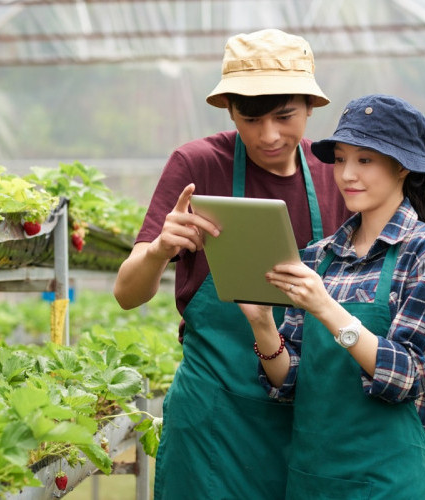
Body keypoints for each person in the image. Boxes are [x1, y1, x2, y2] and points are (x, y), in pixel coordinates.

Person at [114, 29, 351, 499]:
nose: (269, 135)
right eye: (250, 117)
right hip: (213, 418)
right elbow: (127, 293)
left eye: (285, 117)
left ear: (310, 106)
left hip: (308, 410)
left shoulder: (335, 174)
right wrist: (161, 249)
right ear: (229, 110)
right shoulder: (199, 164)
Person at [238, 94, 425, 499]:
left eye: (364, 160)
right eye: (341, 159)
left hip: (386, 483)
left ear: (401, 167)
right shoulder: (319, 256)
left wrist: (325, 307)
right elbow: (288, 381)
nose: (346, 174)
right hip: (310, 479)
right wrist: (262, 324)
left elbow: (404, 376)